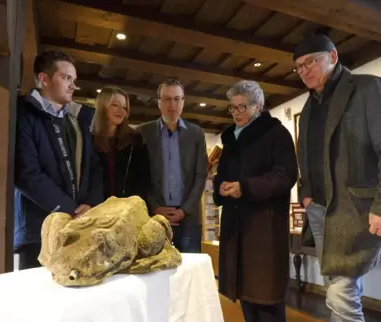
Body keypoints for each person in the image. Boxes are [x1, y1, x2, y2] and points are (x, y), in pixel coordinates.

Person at [295, 33, 381, 322]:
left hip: (356, 210)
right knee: (336, 286)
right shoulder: (308, 108)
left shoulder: (367, 88)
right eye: (298, 66)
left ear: (333, 57)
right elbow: (305, 157)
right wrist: (305, 196)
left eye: (310, 62)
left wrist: (380, 207)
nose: (304, 70)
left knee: (340, 293)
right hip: (318, 210)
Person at [213, 80, 297, 322]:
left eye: (243, 107)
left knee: (266, 300)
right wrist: (223, 187)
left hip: (263, 229)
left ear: (258, 106)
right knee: (247, 299)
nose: (237, 113)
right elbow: (222, 176)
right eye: (233, 108)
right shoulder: (230, 140)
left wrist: (245, 187)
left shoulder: (276, 134)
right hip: (236, 228)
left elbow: (285, 176)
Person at [14, 50, 103, 269]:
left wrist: (89, 204)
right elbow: (26, 174)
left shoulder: (77, 120)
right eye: (66, 78)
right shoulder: (24, 114)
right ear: (44, 79)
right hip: (39, 231)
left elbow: (93, 165)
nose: (73, 85)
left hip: (79, 226)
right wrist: (69, 208)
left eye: (74, 80)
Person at [137, 78, 208, 253]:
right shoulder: (142, 133)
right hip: (154, 217)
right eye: (167, 99)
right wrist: (155, 207)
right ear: (159, 103)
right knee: (154, 272)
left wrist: (185, 210)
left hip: (188, 219)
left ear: (183, 102)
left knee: (188, 272)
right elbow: (140, 175)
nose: (172, 104)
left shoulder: (196, 134)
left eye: (177, 99)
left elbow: (201, 175)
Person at [91, 85, 150, 201]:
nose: (121, 111)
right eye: (115, 105)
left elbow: (144, 176)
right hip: (96, 206)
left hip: (126, 207)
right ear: (103, 105)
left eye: (124, 107)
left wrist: (132, 202)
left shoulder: (135, 139)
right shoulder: (89, 139)